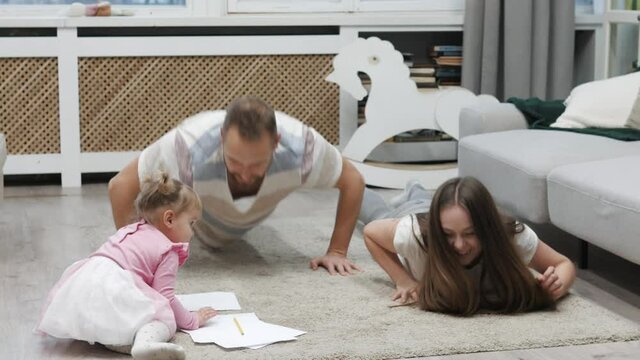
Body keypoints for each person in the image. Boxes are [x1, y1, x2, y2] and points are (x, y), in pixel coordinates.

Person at [108, 96, 365, 276]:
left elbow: (353, 180)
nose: (244, 174)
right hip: (201, 216)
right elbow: (120, 186)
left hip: (248, 216)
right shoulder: (187, 148)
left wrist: (337, 251)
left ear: (276, 142)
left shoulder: (303, 148)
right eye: (234, 161)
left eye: (256, 164)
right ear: (222, 139)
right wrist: (136, 255)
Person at [37, 173, 218, 360]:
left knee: (127, 309)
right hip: (115, 288)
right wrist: (192, 319)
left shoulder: (132, 230)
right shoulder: (168, 250)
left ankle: (108, 336)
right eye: (191, 223)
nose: (193, 231)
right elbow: (166, 296)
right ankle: (144, 344)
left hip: (85, 284)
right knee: (163, 316)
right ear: (170, 219)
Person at [361, 177, 576, 316]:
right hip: (412, 215)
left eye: (471, 233)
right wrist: (403, 280)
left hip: (437, 213)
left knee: (421, 199)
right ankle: (389, 186)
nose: (459, 245)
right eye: (448, 236)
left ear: (488, 227)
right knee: (376, 211)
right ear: (438, 231)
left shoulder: (510, 236)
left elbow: (563, 264)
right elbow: (371, 233)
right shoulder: (413, 233)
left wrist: (555, 289)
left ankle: (415, 186)